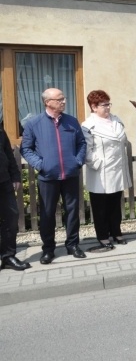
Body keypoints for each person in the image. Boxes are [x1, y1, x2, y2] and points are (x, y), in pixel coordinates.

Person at [21, 88, 87, 264]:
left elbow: (82, 143)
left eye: (64, 98)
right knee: (47, 214)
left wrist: (77, 161)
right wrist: (41, 165)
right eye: (59, 99)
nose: (63, 101)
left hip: (70, 174)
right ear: (47, 102)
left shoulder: (72, 121)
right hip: (48, 177)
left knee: (73, 211)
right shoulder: (34, 124)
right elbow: (26, 149)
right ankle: (48, 249)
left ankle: (73, 245)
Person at [81, 90, 132, 251]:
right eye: (104, 105)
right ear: (93, 107)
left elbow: (122, 141)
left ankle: (116, 232)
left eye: (109, 104)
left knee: (115, 204)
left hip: (117, 169)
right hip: (101, 173)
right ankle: (103, 236)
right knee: (100, 207)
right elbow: (87, 150)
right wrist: (98, 164)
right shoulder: (88, 126)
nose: (108, 107)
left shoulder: (116, 120)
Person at [0, 128, 29, 271]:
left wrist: (15, 176)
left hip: (4, 180)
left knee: (11, 217)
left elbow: (8, 153)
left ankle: (8, 256)